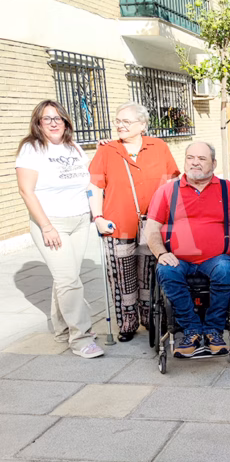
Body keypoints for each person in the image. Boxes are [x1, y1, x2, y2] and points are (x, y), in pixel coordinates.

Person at [145, 142, 230, 358]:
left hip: (215, 259)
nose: (195, 162)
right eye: (190, 157)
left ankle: (213, 329)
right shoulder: (167, 191)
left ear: (213, 163)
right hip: (179, 259)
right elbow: (152, 227)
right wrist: (161, 253)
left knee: (226, 269)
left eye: (202, 159)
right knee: (165, 271)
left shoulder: (229, 189)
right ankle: (192, 329)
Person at [15, 100, 104, 358]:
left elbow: (87, 182)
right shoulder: (32, 149)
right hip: (51, 222)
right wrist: (46, 226)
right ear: (38, 124)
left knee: (67, 277)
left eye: (58, 118)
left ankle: (62, 328)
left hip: (79, 221)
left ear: (66, 122)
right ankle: (81, 338)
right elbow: (26, 191)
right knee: (69, 281)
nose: (53, 123)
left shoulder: (74, 147)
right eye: (47, 119)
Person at [88, 102, 179, 342]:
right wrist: (98, 217)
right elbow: (95, 185)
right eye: (118, 121)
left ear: (142, 125)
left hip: (152, 224)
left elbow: (171, 183)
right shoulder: (107, 150)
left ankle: (150, 317)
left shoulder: (158, 147)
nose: (120, 125)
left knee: (149, 271)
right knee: (122, 274)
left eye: (126, 122)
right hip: (117, 224)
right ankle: (127, 322)